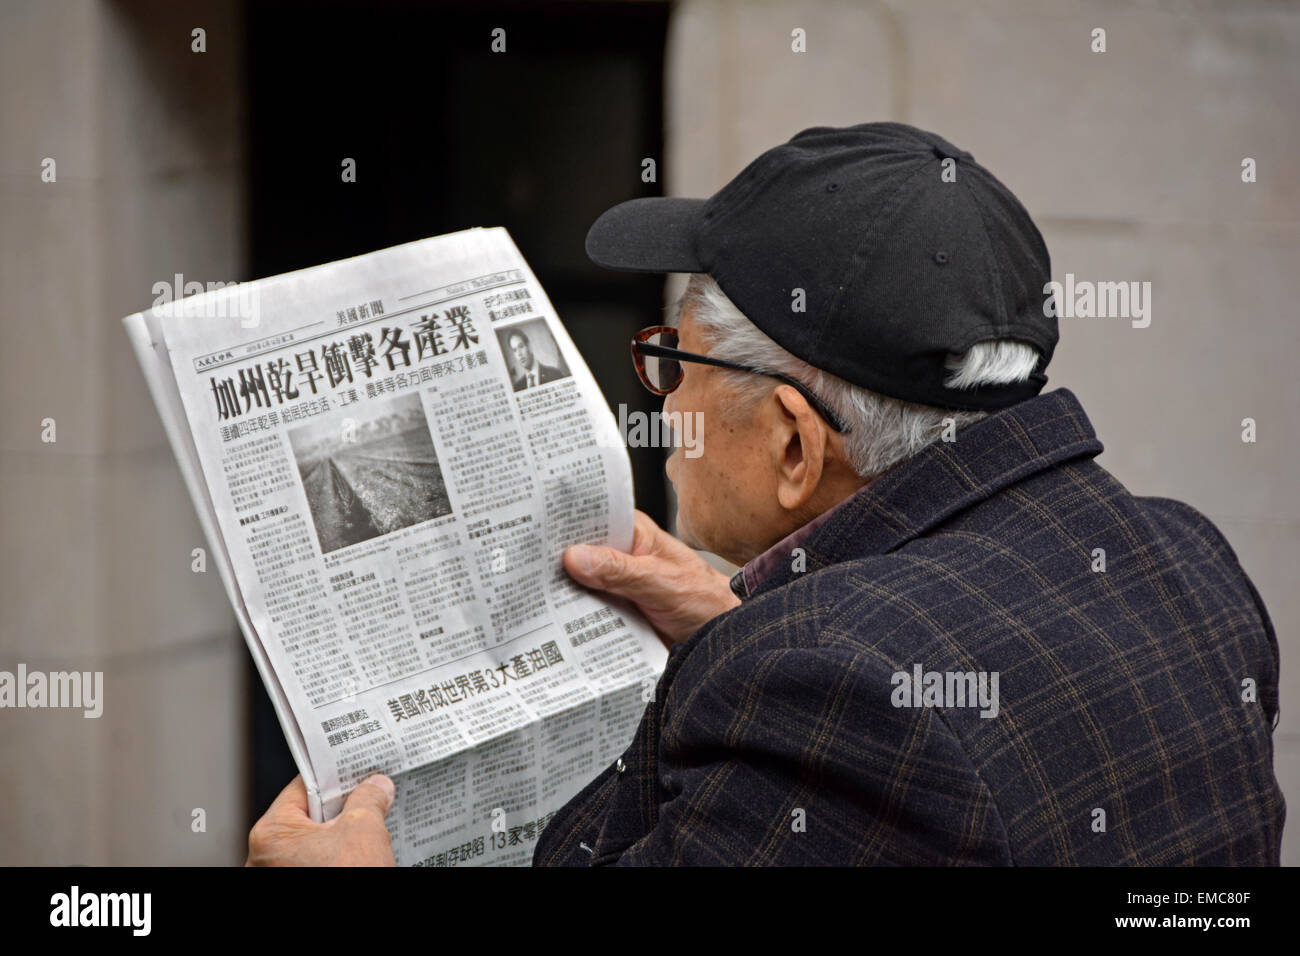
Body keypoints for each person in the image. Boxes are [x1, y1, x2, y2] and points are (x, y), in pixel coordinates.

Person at [246, 121, 1284, 867]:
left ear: (793, 444)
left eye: (673, 367)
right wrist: (751, 629)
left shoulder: (830, 691)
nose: (655, 408)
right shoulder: (1185, 559)